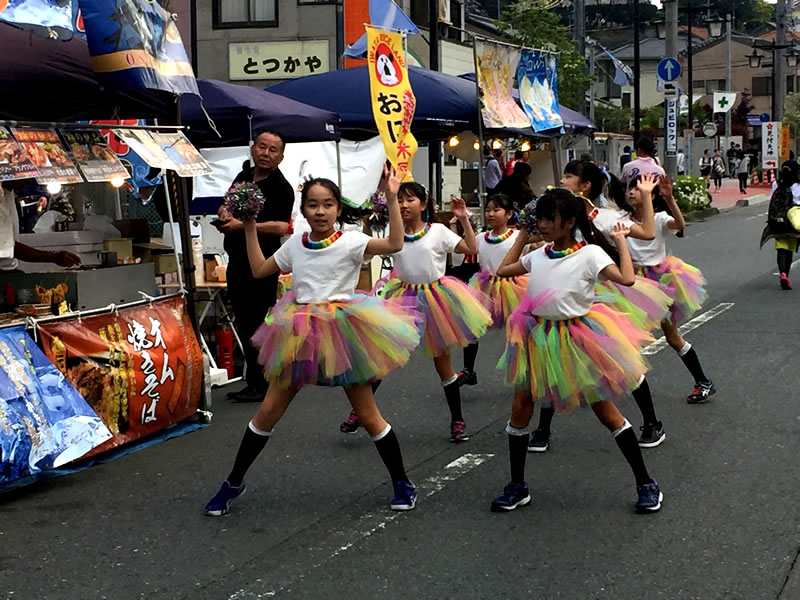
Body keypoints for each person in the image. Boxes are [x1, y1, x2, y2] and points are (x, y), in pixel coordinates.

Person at [204, 169, 421, 516]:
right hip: (299, 332)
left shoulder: (352, 242)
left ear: (338, 209)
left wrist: (392, 198)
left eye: (328, 204)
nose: (320, 211)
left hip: (344, 331)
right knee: (267, 413)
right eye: (313, 205)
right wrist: (248, 226)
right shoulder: (295, 244)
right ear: (303, 210)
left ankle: (402, 482)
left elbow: (395, 244)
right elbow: (260, 269)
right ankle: (233, 482)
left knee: (368, 415)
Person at [489, 189, 663, 514]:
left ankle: (646, 482)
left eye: (548, 218)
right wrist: (523, 233)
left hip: (577, 340)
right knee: (520, 410)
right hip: (538, 338)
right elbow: (504, 269)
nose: (542, 224)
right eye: (538, 217)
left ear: (569, 222)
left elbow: (626, 279)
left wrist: (622, 242)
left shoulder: (591, 254)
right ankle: (517, 486)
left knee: (606, 411)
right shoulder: (538, 254)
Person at [530, 164, 669, 453]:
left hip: (600, 299)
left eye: (568, 176)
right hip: (567, 295)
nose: (562, 179)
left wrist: (645, 196)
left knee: (622, 363)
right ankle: (543, 428)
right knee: (554, 356)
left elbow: (646, 231)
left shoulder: (602, 217)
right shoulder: (553, 212)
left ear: (585, 185)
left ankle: (651, 421)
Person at [344, 183, 492, 443]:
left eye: (410, 200)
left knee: (443, 364)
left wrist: (464, 218)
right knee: (385, 355)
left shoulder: (437, 231)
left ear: (423, 205)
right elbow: (370, 246)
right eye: (399, 200)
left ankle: (457, 420)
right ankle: (360, 411)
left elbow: (471, 249)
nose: (403, 205)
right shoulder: (395, 232)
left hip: (437, 299)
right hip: (402, 296)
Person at [216, 130, 294, 403]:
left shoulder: (281, 187)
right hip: (237, 260)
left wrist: (246, 225)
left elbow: (282, 226)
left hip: (262, 263)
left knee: (257, 322)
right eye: (262, 146)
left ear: (281, 156)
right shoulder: (243, 177)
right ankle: (255, 380)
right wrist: (225, 213)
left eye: (273, 150)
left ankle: (263, 383)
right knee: (244, 320)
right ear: (253, 148)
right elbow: (227, 204)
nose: (266, 153)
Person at [624, 173, 714, 404]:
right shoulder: (621, 219)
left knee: (672, 336)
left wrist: (670, 199)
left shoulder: (661, 218)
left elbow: (681, 225)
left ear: (652, 196)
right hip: (631, 282)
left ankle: (703, 381)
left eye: (638, 188)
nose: (632, 192)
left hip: (659, 282)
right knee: (624, 336)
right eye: (630, 188)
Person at [458, 194, 528, 386]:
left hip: (514, 286)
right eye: (488, 210)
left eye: (496, 210)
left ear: (509, 214)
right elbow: (466, 249)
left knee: (518, 328)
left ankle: (524, 369)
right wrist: (463, 220)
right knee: (473, 325)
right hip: (485, 286)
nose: (490, 214)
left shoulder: (517, 237)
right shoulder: (481, 238)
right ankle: (468, 369)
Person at [0, 180, 80, 274]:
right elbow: (10, 247)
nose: (28, 180)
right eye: (28, 178)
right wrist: (54, 257)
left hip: (10, 268)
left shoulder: (9, 193)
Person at [766, 160, 800, 290]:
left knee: (781, 248)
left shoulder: (776, 183)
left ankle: (782, 273)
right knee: (790, 249)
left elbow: (772, 200)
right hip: (793, 220)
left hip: (778, 220)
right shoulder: (797, 185)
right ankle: (787, 275)